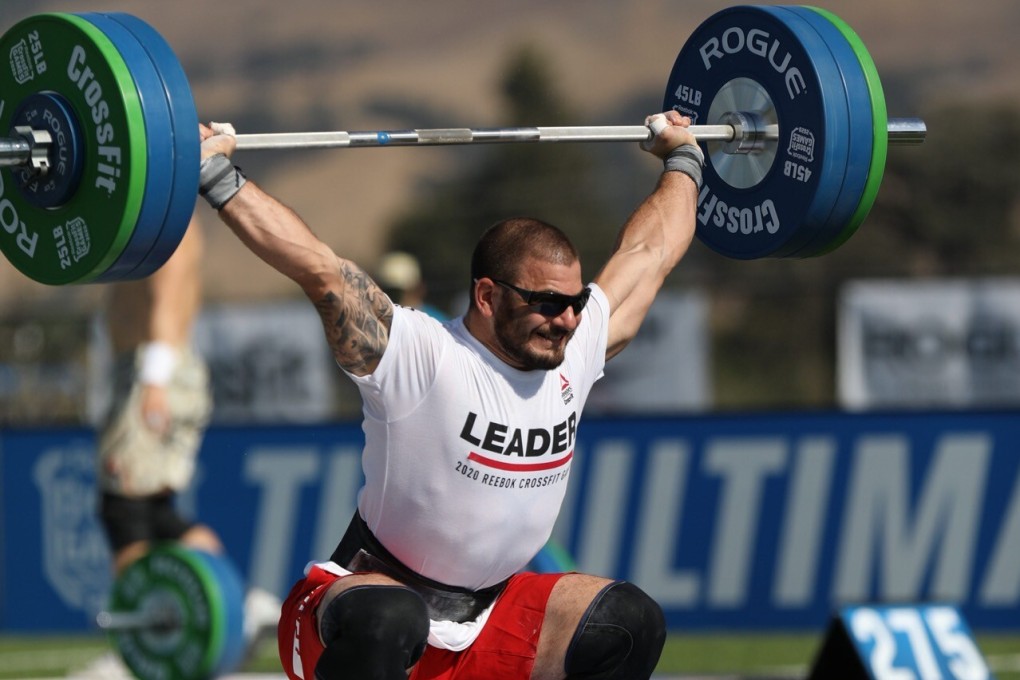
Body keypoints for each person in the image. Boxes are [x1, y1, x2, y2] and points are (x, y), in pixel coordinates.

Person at [197, 109, 702, 680]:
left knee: (629, 620)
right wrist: (216, 176)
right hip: (359, 615)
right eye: (544, 303)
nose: (565, 320)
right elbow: (321, 271)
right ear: (487, 296)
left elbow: (650, 254)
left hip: (490, 617)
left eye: (573, 303)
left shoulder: (573, 346)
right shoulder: (424, 355)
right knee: (392, 616)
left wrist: (683, 158)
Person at [94, 213, 280, 657]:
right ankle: (242, 603)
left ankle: (137, 635)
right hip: (153, 371)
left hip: (153, 374)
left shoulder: (168, 225)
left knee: (124, 507)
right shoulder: (156, 224)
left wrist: (153, 381)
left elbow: (167, 295)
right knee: (154, 508)